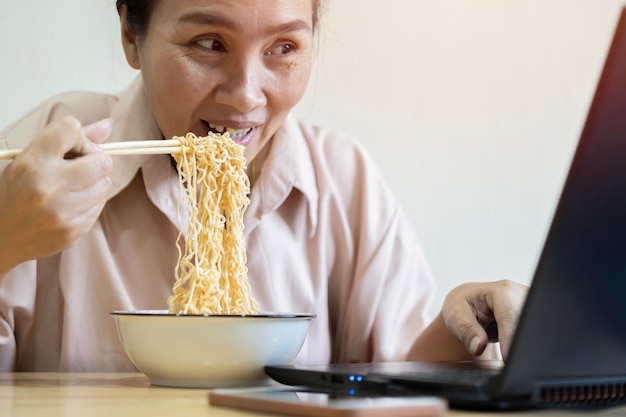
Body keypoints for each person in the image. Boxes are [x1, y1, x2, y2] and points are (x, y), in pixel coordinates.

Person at [0, 0, 527, 372]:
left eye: (283, 47)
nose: (246, 96)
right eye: (209, 44)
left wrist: (466, 328)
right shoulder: (48, 153)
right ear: (130, 35)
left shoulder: (344, 182)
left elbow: (398, 376)